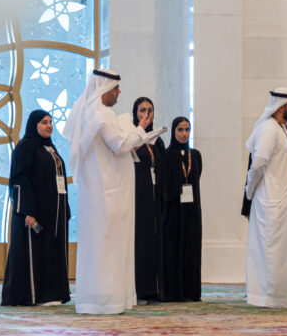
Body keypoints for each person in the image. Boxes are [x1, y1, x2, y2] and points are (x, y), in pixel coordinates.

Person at [67, 68, 164, 315]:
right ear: (104, 90)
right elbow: (121, 144)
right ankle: (107, 300)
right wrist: (141, 129)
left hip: (99, 192)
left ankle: (96, 299)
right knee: (108, 245)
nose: (119, 93)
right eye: (116, 89)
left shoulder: (89, 112)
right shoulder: (103, 114)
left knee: (99, 244)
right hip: (108, 191)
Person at [1, 109, 71, 306]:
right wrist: (28, 210)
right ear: (34, 125)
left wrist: (65, 208)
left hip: (54, 211)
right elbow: (20, 180)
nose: (49, 126)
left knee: (52, 250)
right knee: (40, 250)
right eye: (44, 122)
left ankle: (54, 292)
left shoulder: (50, 148)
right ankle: (39, 295)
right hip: (36, 212)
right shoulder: (25, 147)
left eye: (50, 122)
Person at [244, 88, 287, 308]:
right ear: (280, 106)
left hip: (285, 200)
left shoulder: (283, 128)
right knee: (270, 250)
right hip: (270, 200)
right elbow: (258, 163)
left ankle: (282, 296)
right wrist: (249, 191)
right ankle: (266, 297)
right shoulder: (268, 128)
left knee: (284, 251)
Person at [122, 96, 164, 303]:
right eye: (142, 110)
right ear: (135, 113)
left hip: (155, 195)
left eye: (150, 110)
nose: (146, 114)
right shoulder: (132, 137)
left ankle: (155, 288)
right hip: (138, 195)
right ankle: (139, 289)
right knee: (141, 240)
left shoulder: (157, 140)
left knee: (156, 240)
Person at [162, 116, 203, 302]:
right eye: (180, 130)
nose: (184, 134)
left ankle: (190, 291)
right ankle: (174, 291)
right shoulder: (166, 155)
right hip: (174, 211)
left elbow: (196, 176)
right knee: (174, 247)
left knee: (191, 248)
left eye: (187, 130)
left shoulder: (195, 156)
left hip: (191, 210)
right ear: (173, 131)